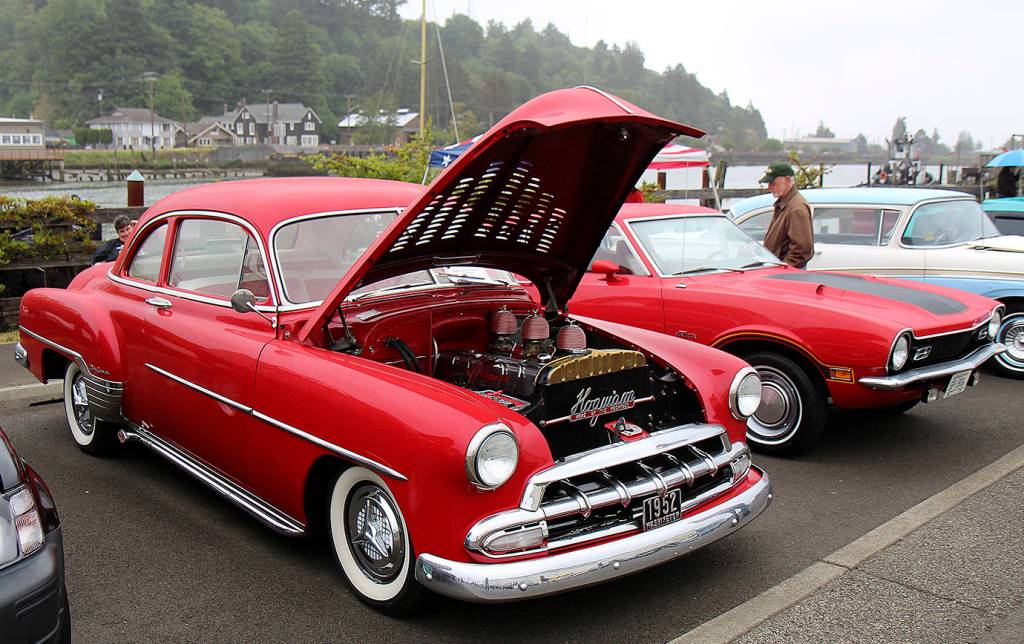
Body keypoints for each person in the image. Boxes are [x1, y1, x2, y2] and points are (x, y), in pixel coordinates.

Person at [759, 162, 814, 268]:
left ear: (787, 180)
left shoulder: (796, 208)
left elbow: (802, 250)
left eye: (773, 183)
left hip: (789, 272)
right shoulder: (785, 203)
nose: (769, 188)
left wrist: (784, 268)